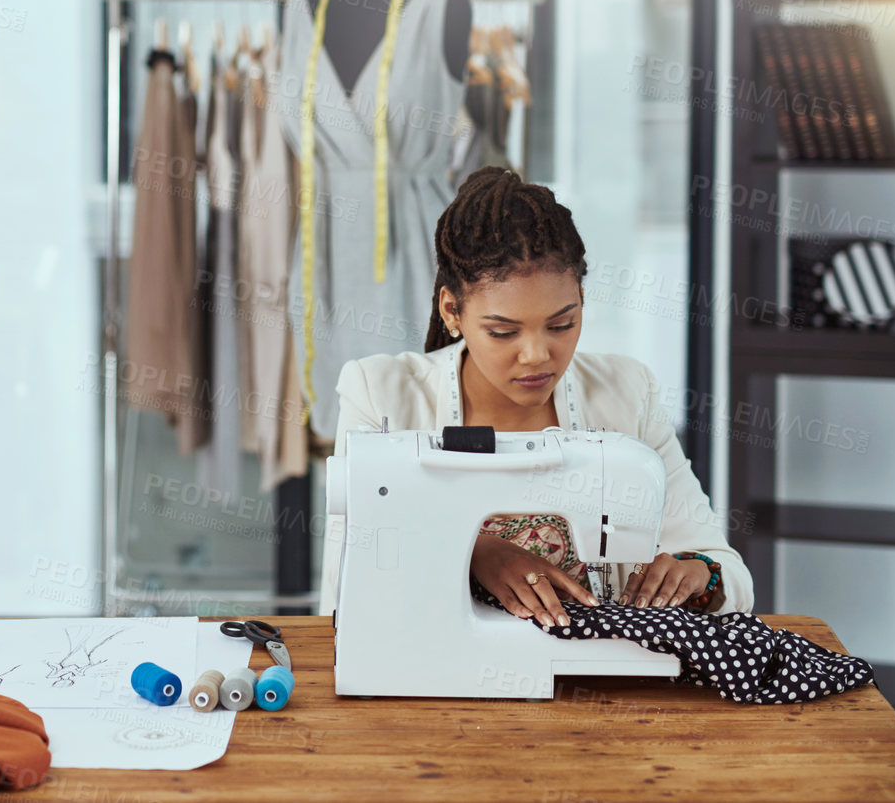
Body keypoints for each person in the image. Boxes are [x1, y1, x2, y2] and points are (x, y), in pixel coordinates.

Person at [319, 167, 753, 623]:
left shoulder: (627, 393)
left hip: (593, 686)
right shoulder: (380, 394)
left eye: (562, 324)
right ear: (453, 310)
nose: (537, 355)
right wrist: (475, 554)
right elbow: (345, 586)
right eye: (503, 332)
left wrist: (701, 574)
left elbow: (730, 573)